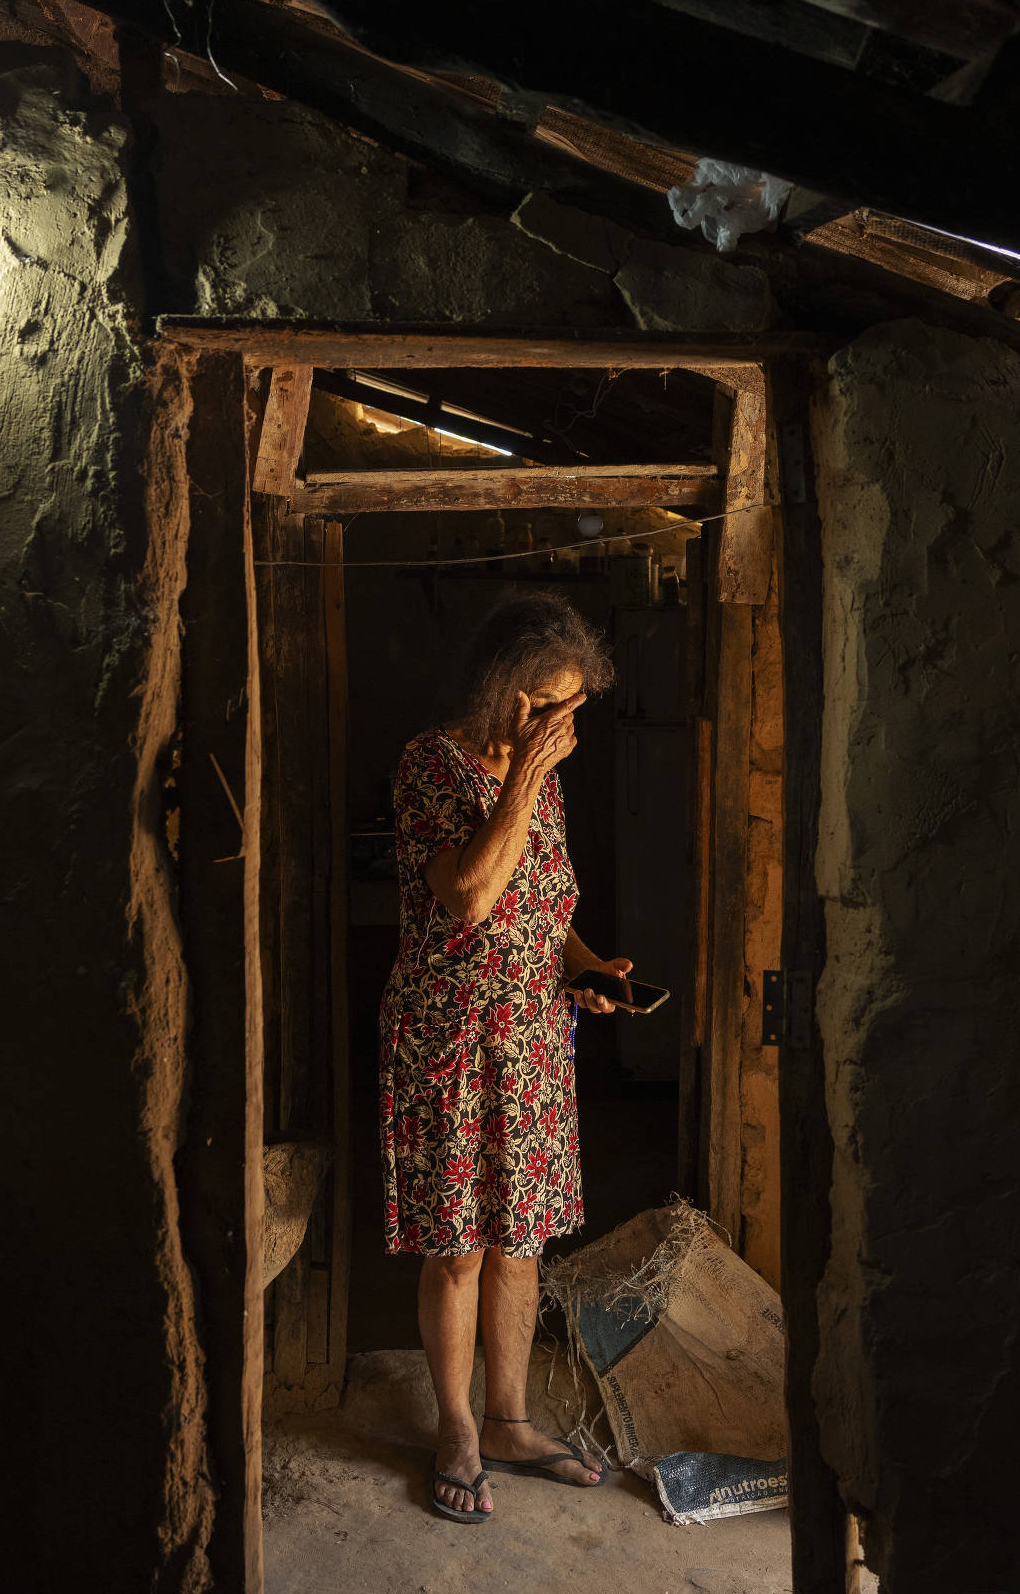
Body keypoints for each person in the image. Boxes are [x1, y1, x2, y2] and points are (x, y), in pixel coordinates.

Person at [378, 590, 635, 1523]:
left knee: (519, 1245)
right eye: (538, 703)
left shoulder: (546, 781)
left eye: (565, 709)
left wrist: (587, 965)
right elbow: (472, 897)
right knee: (458, 1248)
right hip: (449, 1039)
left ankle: (510, 1419)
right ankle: (456, 1429)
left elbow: (546, 908)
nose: (550, 724)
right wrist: (521, 780)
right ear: (499, 686)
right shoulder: (430, 767)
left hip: (529, 1040)